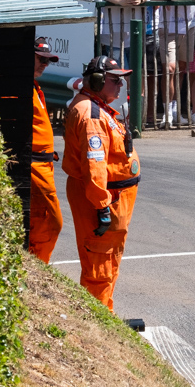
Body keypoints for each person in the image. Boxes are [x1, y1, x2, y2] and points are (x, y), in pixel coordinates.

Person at [62, 56, 140, 311]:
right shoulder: (92, 115)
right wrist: (102, 206)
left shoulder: (97, 108)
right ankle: (98, 318)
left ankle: (104, 312)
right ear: (96, 81)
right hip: (106, 199)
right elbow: (95, 166)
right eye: (114, 80)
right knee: (100, 265)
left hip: (112, 197)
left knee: (108, 261)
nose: (120, 85)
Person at [28, 38, 64, 264]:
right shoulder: (23, 88)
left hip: (45, 166)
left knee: (44, 222)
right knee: (51, 222)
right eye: (41, 59)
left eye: (48, 61)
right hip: (34, 166)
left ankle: (36, 265)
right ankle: (36, 267)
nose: (45, 64)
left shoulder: (35, 86)